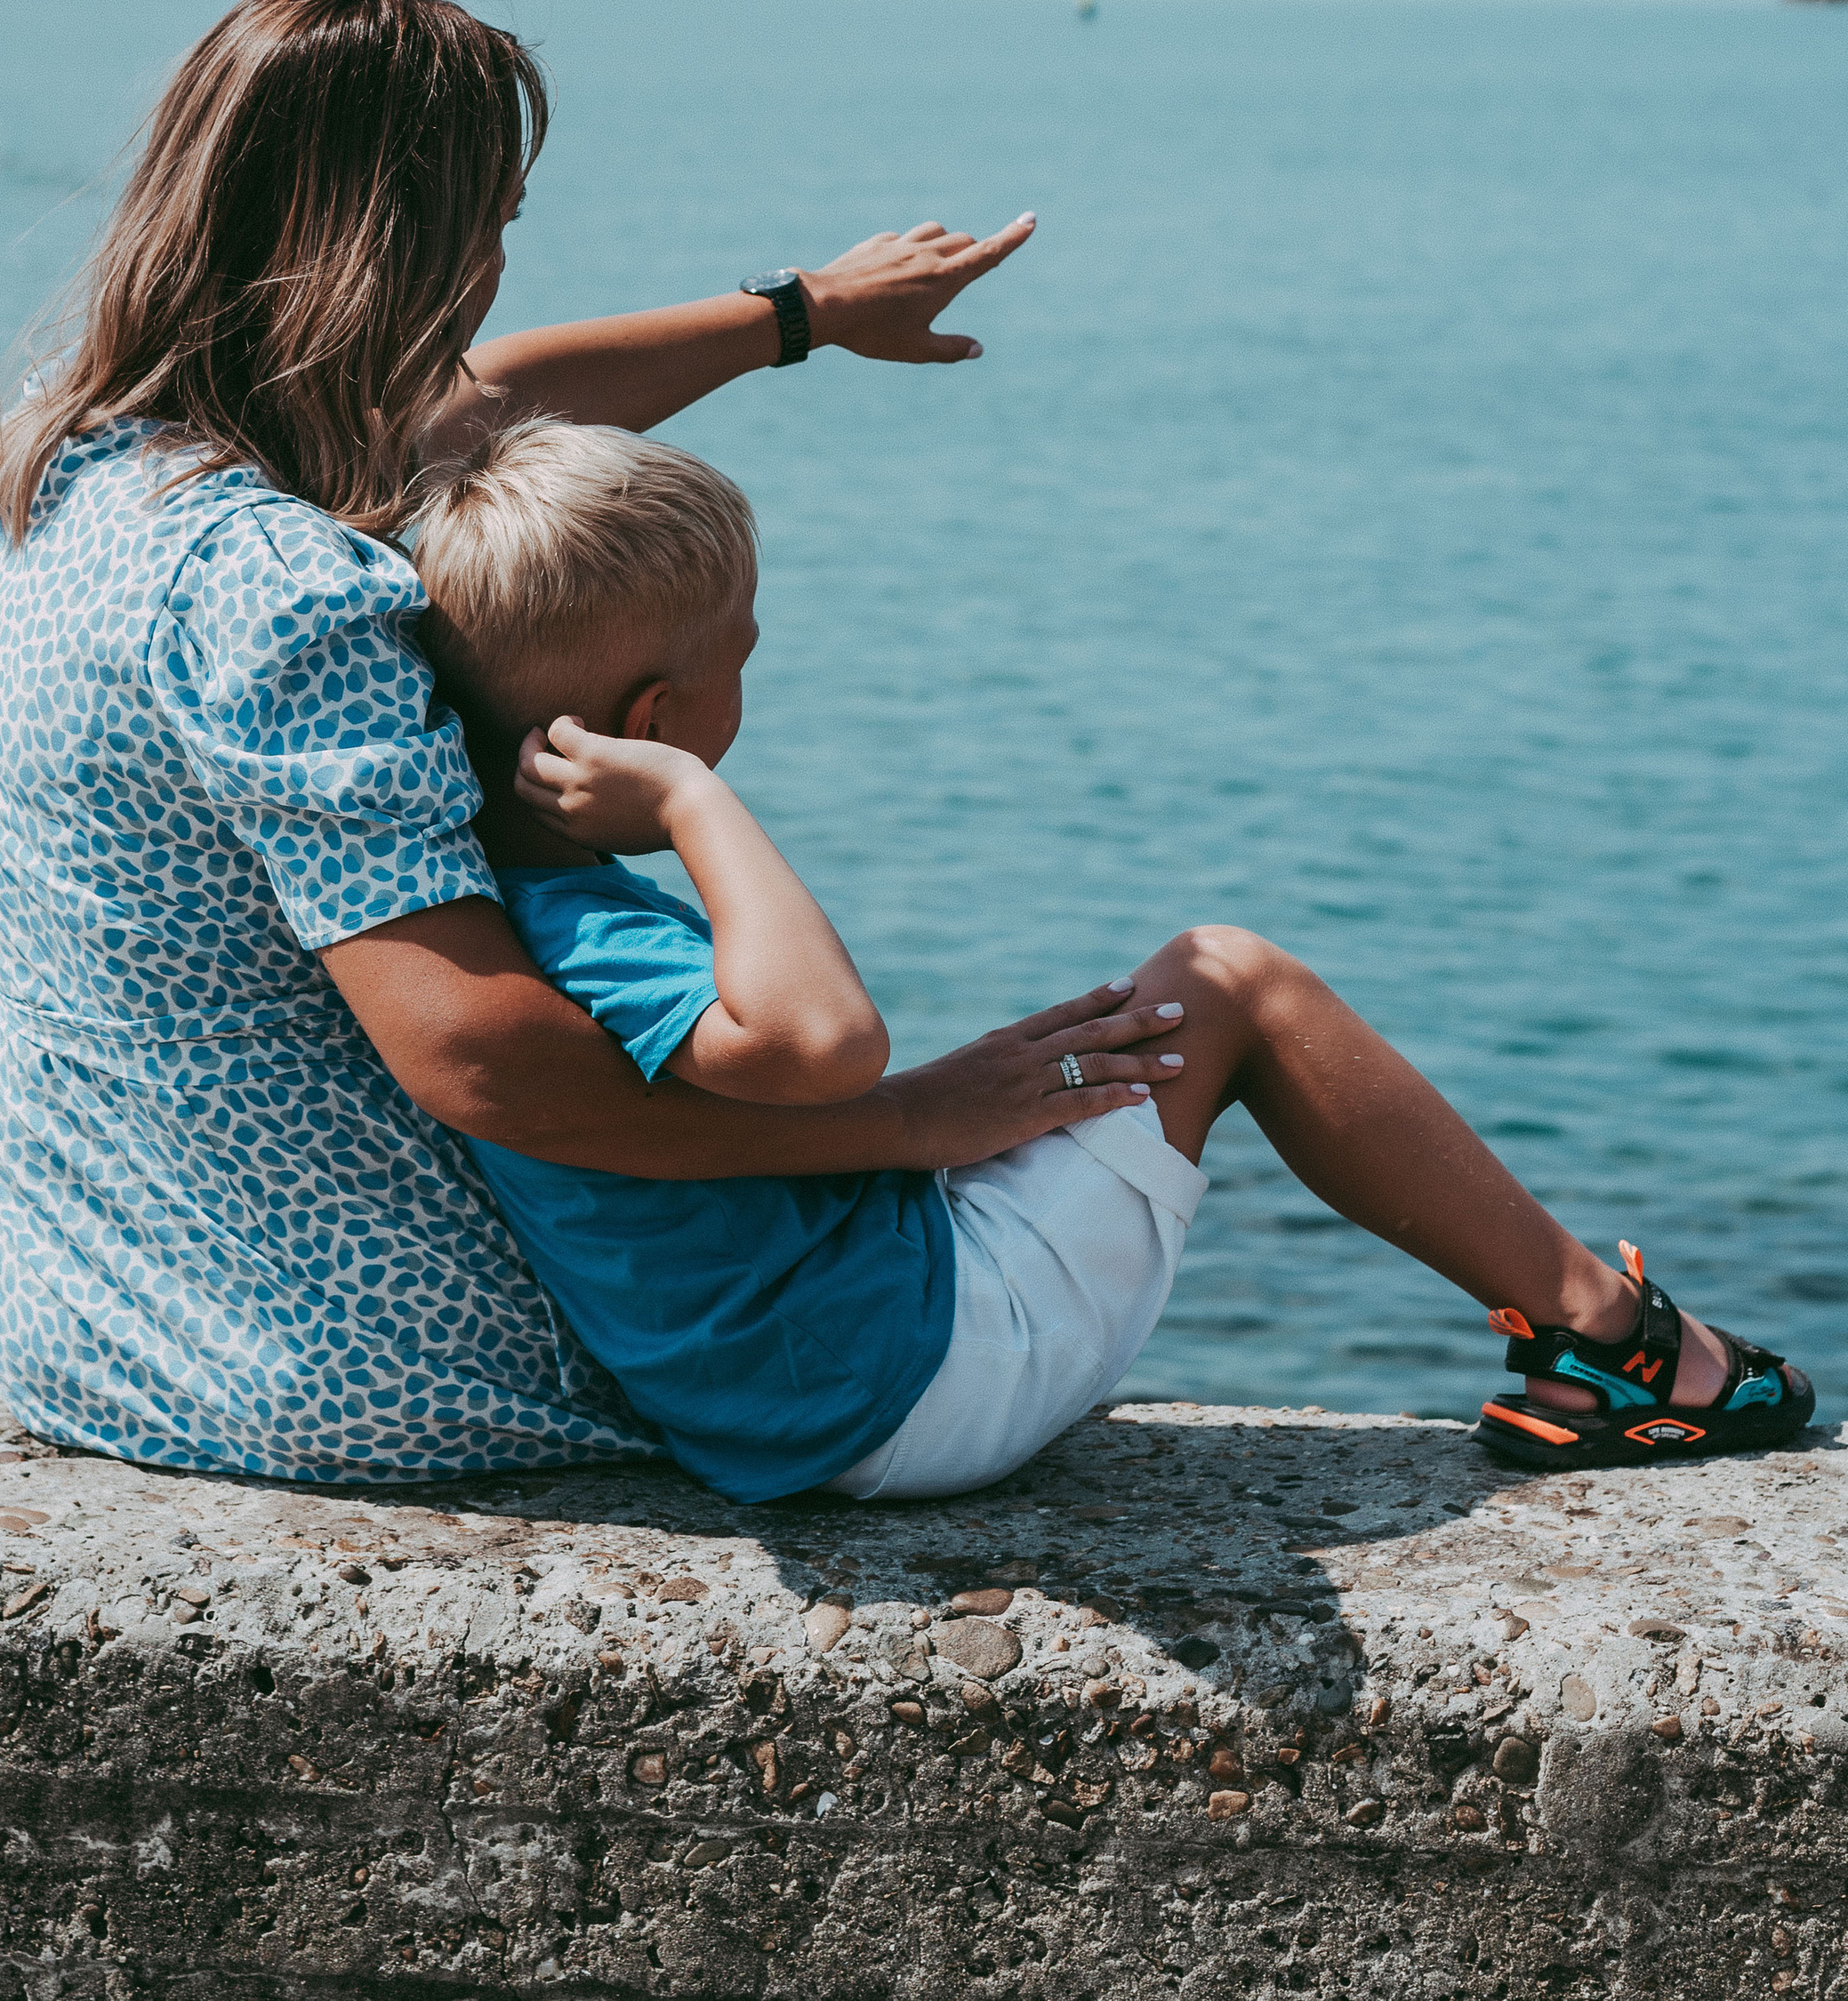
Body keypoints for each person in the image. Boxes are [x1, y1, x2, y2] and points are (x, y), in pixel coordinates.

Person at [0, 0, 1180, 1479]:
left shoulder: (63, 458)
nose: (501, 269)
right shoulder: (273, 584)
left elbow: (497, 391)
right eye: (496, 225)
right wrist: (917, 1117)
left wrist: (804, 313)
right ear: (402, 247)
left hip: (95, 1312)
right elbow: (485, 1064)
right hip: (333, 1348)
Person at [405, 416, 1818, 1498]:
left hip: (791, 1389)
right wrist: (697, 803)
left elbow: (759, 1105)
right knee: (1229, 978)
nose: (753, 677)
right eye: (745, 655)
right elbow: (827, 1040)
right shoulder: (589, 927)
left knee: (1096, 1036)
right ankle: (1613, 1338)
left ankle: (1599, 1329)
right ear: (652, 718)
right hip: (908, 1380)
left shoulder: (492, 912)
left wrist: (945, 1114)